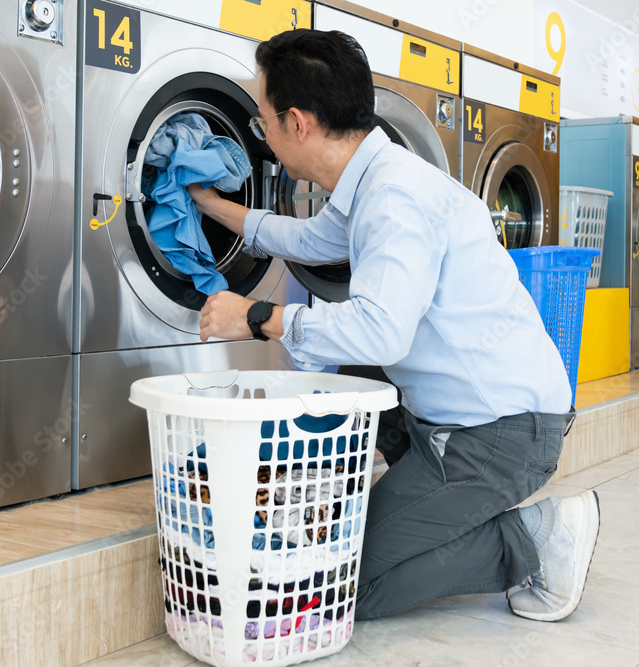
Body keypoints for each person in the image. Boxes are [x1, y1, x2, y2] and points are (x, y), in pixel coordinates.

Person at [186, 29, 600, 622]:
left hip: (499, 437)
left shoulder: (394, 198)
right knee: (348, 370)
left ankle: (534, 539)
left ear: (298, 123)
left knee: (342, 590)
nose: (264, 136)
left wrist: (256, 317)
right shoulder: (373, 177)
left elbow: (382, 333)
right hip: (465, 417)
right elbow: (307, 240)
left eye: (263, 122)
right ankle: (394, 505)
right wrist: (212, 207)